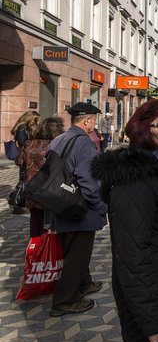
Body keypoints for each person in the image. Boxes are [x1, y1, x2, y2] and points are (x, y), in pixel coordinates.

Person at [90, 99, 158, 342]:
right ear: (144, 128)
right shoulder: (135, 181)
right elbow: (131, 260)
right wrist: (154, 322)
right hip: (155, 303)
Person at [46, 102, 107, 317]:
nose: (94, 123)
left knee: (73, 250)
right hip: (79, 208)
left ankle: (84, 283)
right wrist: (101, 207)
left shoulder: (59, 139)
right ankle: (64, 301)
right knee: (77, 255)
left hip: (59, 203)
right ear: (87, 120)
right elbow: (89, 182)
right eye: (93, 119)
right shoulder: (84, 143)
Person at [16, 117, 65, 237]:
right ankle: (46, 251)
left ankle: (34, 248)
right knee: (48, 225)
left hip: (31, 189)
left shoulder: (29, 143)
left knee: (35, 221)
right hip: (48, 191)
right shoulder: (54, 145)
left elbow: (18, 161)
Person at [9, 110, 40, 214]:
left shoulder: (27, 128)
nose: (37, 122)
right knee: (23, 179)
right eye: (36, 120)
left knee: (26, 179)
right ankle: (16, 202)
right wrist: (34, 144)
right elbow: (23, 143)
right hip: (24, 157)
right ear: (31, 119)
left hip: (29, 156)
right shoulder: (22, 128)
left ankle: (21, 202)